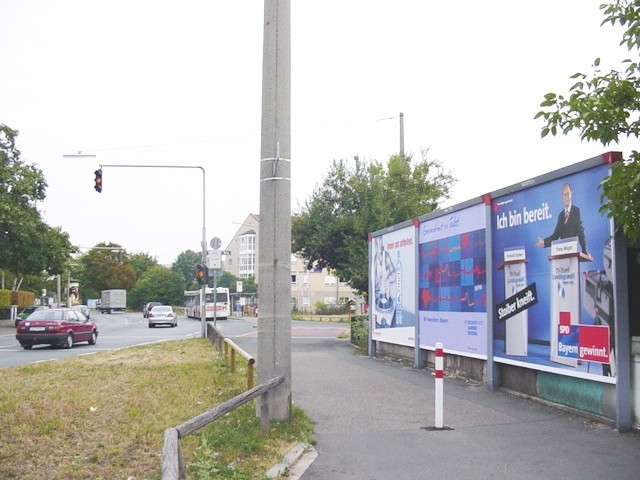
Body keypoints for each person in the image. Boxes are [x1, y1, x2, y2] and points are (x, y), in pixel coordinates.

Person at [535, 182, 592, 260]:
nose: (566, 197)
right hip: (562, 254)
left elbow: (580, 232)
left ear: (571, 194)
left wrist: (585, 251)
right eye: (564, 194)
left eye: (567, 194)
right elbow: (555, 236)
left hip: (573, 254)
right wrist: (544, 241)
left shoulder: (576, 211)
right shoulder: (561, 215)